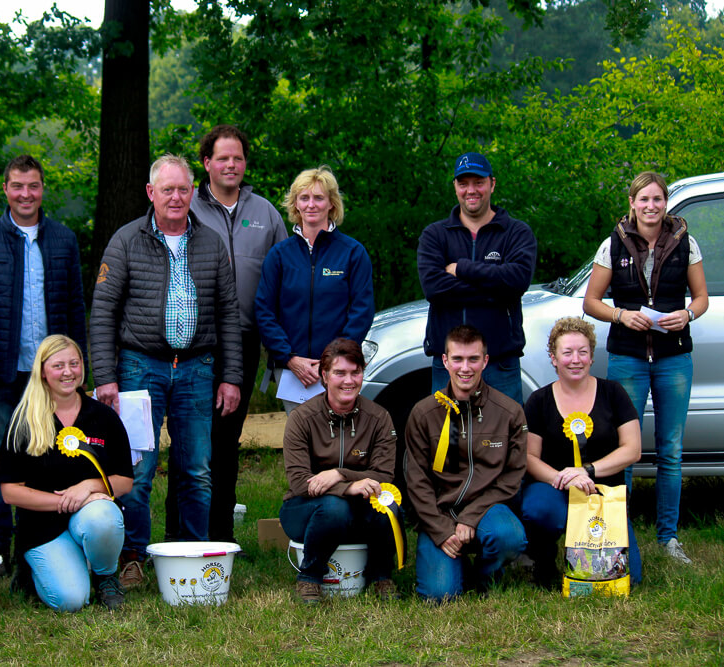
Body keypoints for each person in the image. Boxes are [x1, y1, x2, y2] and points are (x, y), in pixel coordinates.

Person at [89, 154, 242, 588]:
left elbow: (229, 314)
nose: (176, 197)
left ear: (194, 192)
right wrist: (105, 376)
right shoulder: (125, 241)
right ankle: (133, 556)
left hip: (198, 368)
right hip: (140, 366)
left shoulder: (211, 243)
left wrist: (231, 376)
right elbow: (102, 312)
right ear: (151, 193)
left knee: (196, 469)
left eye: (183, 189)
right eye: (167, 189)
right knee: (137, 468)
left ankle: (191, 555)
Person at [0, 154, 88, 570]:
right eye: (17, 186)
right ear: (5, 189)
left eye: (33, 186)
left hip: (54, 377)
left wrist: (79, 372)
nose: (25, 194)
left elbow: (74, 307)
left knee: (55, 458)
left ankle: (50, 543)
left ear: (42, 188)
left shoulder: (64, 240)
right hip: (2, 373)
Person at [167, 124, 287, 543]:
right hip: (194, 340)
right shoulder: (187, 208)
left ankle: (218, 536)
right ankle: (178, 534)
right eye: (222, 158)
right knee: (189, 440)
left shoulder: (267, 213)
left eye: (237, 158)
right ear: (206, 164)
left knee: (226, 440)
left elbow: (281, 281)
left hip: (245, 339)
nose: (231, 165)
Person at [584, 170, 709, 564]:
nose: (651, 206)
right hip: (628, 357)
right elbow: (591, 302)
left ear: (665, 203)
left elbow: (702, 297)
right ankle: (619, 532)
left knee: (671, 450)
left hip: (674, 357)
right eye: (644, 200)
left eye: (657, 199)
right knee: (625, 449)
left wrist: (687, 314)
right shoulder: (613, 245)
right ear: (632, 204)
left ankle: (668, 538)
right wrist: (621, 316)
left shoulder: (687, 243)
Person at [0, 335, 133, 611]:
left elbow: (125, 480)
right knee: (71, 600)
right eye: (58, 366)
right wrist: (64, 501)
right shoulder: (24, 419)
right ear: (43, 372)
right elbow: (10, 491)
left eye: (74, 363)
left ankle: (105, 576)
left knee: (105, 517)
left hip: (90, 515)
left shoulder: (104, 417)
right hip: (41, 526)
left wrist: (89, 487)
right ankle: (31, 568)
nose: (68, 372)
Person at [405, 325, 527, 601]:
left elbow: (512, 476)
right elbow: (416, 479)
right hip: (439, 513)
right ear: (445, 361)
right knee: (440, 595)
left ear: (485, 361)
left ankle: (486, 575)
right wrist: (440, 529)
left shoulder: (509, 412)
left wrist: (472, 516)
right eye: (457, 359)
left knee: (509, 537)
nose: (465, 368)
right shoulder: (424, 413)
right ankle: (453, 564)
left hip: (487, 510)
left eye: (473, 359)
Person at [521, 317, 642, 587]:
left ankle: (591, 551)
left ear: (591, 357)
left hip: (604, 492)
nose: (575, 359)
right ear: (554, 358)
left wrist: (587, 471)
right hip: (554, 488)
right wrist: (563, 478)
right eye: (567, 353)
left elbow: (632, 449)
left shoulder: (614, 393)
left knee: (629, 578)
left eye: (582, 352)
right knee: (538, 509)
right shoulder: (539, 401)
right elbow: (529, 457)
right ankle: (544, 559)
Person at [280, 338, 400, 604]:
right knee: (335, 507)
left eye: (355, 372)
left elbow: (385, 475)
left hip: (361, 509)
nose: (349, 381)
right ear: (324, 376)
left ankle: (381, 576)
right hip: (306, 509)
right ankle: (310, 579)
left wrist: (341, 475)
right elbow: (300, 482)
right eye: (340, 373)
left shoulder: (379, 418)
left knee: (388, 503)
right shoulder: (302, 418)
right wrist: (347, 488)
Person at [417, 152, 537, 404]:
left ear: (492, 184)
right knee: (445, 440)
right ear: (455, 187)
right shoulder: (435, 235)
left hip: (499, 363)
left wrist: (462, 268)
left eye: (478, 182)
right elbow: (434, 288)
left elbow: (516, 281)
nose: (471, 190)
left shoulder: (516, 232)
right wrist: (495, 286)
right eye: (463, 183)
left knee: (504, 440)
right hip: (448, 364)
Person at [255, 166, 375, 414]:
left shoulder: (353, 252)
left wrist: (335, 361)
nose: (311, 204)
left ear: (331, 203)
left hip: (339, 370)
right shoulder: (279, 255)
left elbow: (362, 311)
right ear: (295, 204)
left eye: (319, 197)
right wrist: (289, 358)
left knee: (337, 442)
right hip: (292, 370)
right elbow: (264, 311)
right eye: (304, 198)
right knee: (301, 444)